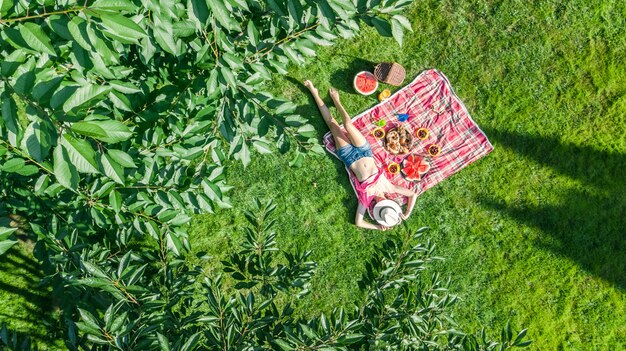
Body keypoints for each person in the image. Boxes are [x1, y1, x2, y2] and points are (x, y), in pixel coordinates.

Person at [304, 80, 417, 231]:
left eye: (379, 205)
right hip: (365, 151)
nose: (380, 201)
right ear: (390, 202)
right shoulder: (389, 188)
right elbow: (412, 194)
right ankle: (337, 101)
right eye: (385, 203)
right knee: (349, 125)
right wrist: (407, 212)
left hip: (349, 156)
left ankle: (314, 92)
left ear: (376, 208)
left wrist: (377, 227)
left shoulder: (366, 198)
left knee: (332, 124)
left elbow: (359, 222)